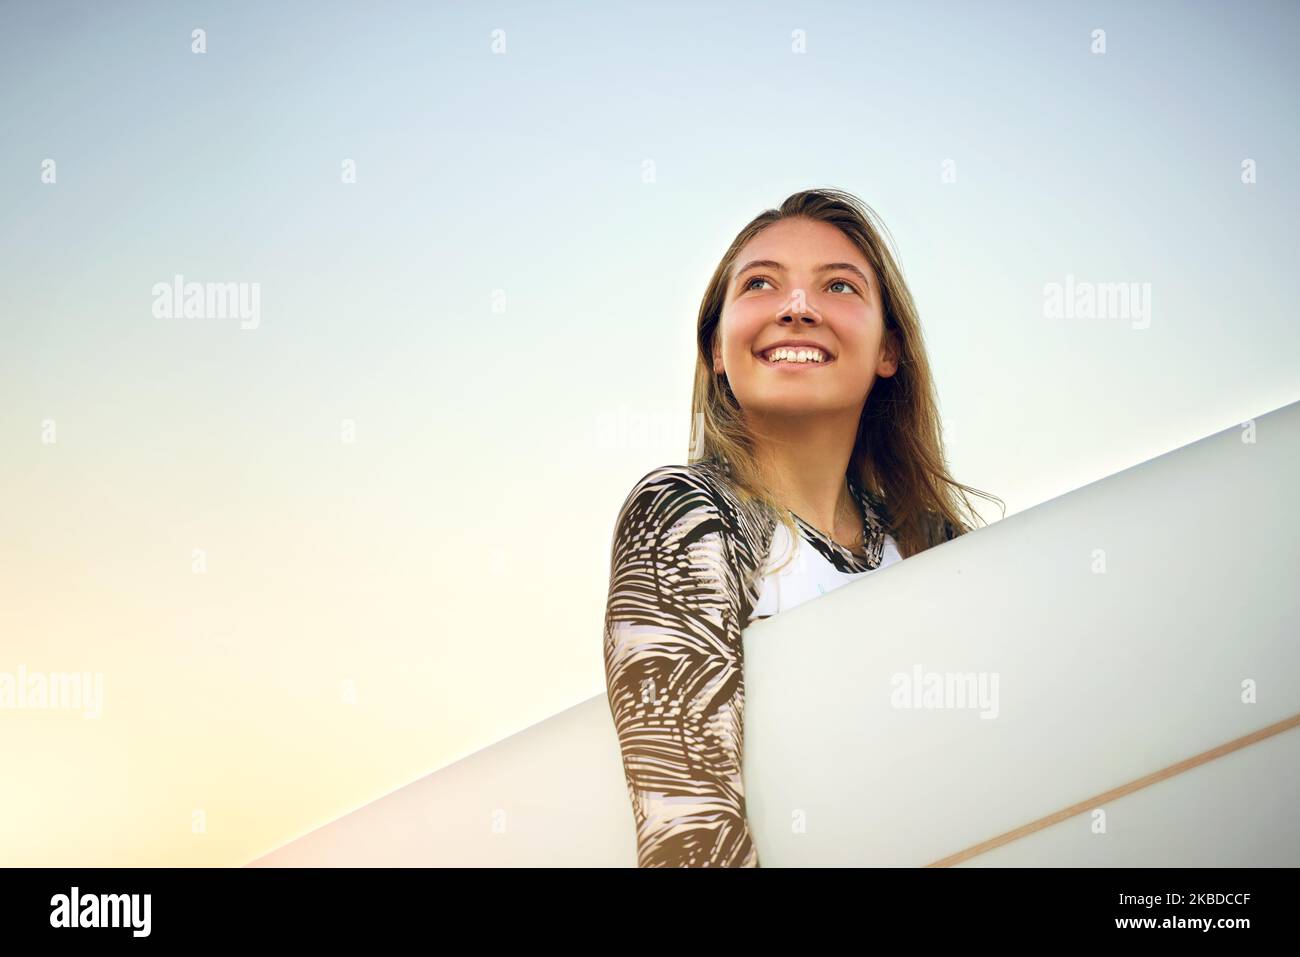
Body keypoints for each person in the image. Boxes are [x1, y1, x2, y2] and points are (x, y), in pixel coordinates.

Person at [602, 187, 1003, 867]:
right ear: (717, 352)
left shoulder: (931, 542)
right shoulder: (689, 515)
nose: (796, 308)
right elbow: (689, 835)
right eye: (761, 283)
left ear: (888, 350)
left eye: (838, 285)